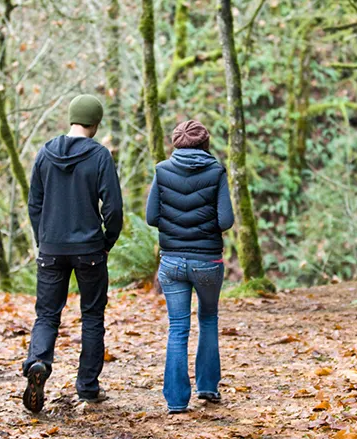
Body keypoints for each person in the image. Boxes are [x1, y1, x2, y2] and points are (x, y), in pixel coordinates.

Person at [22, 94, 124, 413]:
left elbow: (34, 203)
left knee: (47, 314)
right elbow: (113, 207)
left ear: (71, 118)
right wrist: (108, 239)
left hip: (51, 247)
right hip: (90, 249)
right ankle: (88, 388)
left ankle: (38, 362)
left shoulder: (45, 153)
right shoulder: (100, 156)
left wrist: (45, 237)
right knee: (92, 316)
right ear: (95, 123)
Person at [145, 120, 234, 414]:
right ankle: (207, 387)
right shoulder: (216, 171)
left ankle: (175, 401)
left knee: (178, 327)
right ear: (204, 143)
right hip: (208, 260)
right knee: (208, 320)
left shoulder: (162, 171)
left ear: (176, 143)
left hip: (171, 261)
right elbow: (225, 221)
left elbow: (150, 216)